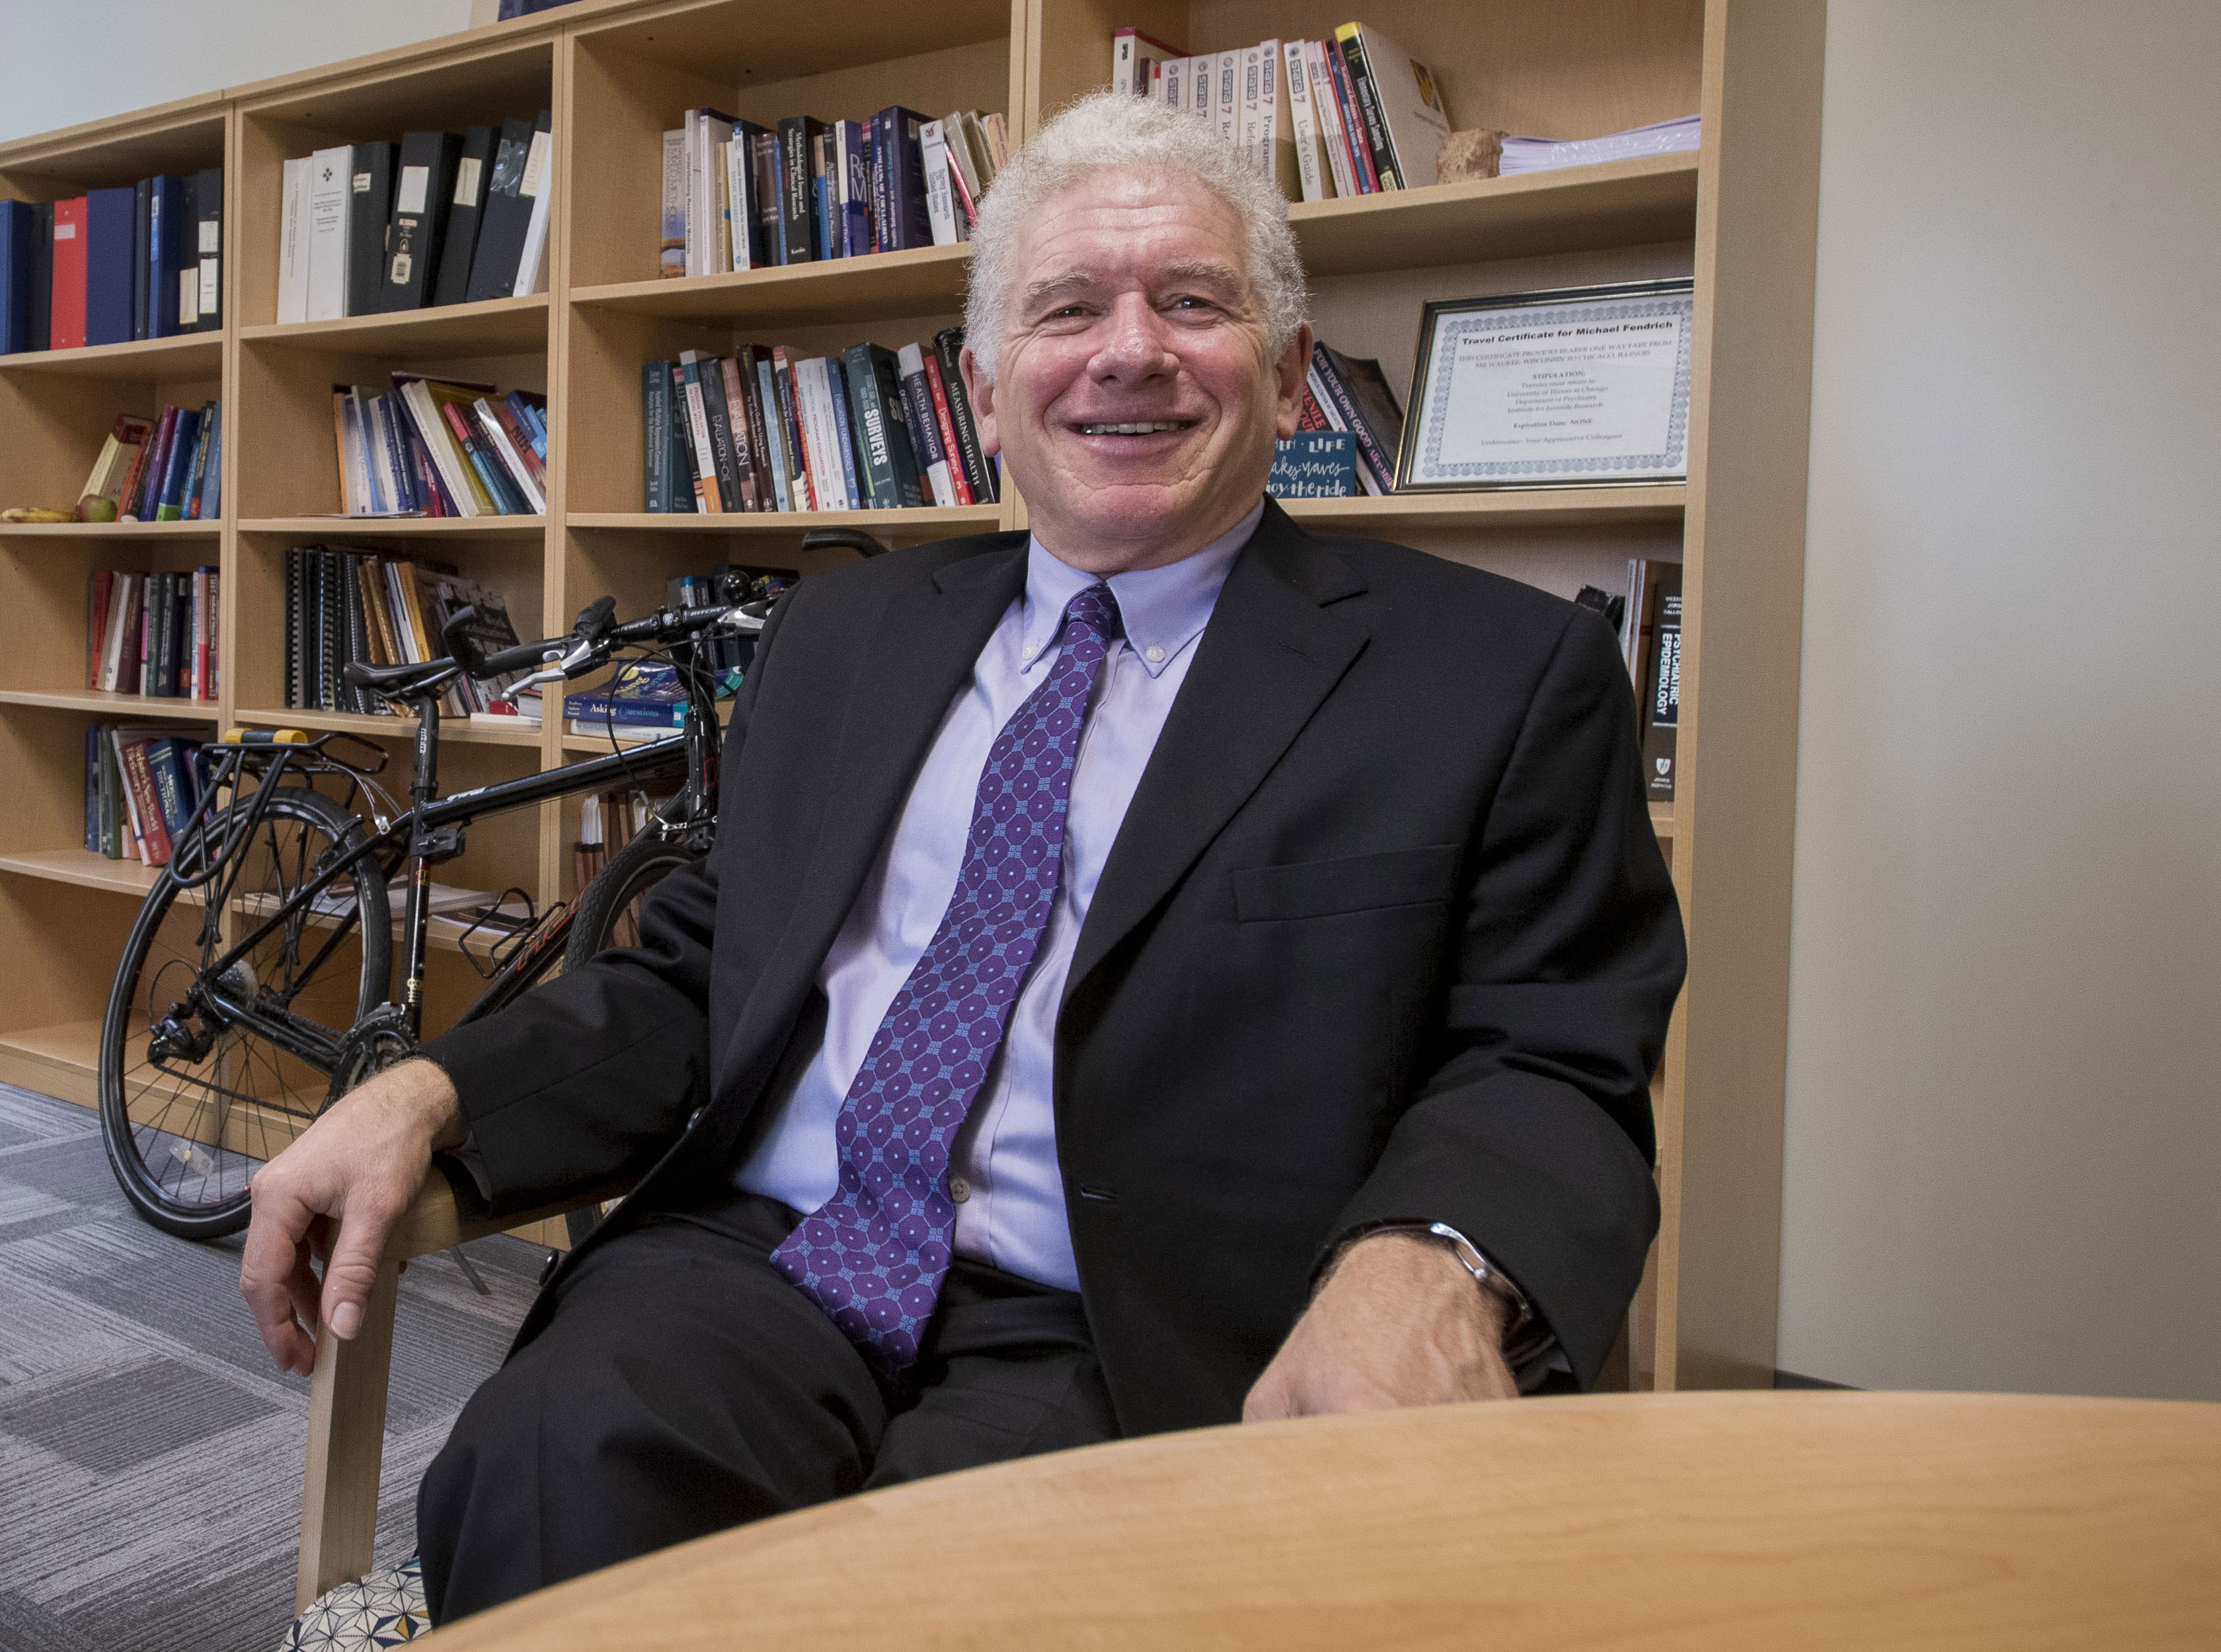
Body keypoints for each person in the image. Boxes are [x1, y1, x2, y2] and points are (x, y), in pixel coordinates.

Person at [240, 90, 1684, 1624]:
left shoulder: (1489, 674)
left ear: (1287, 368)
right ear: (990, 385)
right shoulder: (848, 633)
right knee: (554, 1460)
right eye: (1068, 308)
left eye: (1190, 301)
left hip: (1131, 1325)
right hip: (771, 1255)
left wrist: (1436, 1255)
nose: (1128, 348)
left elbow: (1552, 1055)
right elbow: (704, 965)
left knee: (949, 1600)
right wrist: (435, 1087)